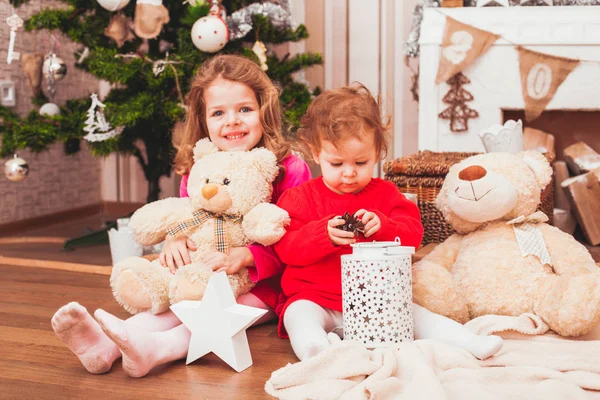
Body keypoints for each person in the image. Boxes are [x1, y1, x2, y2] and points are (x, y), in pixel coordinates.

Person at [51, 54, 312, 377]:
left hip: (265, 287)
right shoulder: (199, 168)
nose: (232, 121)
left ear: (264, 111)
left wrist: (247, 256)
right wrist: (176, 236)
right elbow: (192, 216)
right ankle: (105, 346)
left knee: (209, 315)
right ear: (203, 121)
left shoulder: (288, 167)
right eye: (218, 113)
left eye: (244, 109)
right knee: (179, 300)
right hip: (204, 274)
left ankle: (156, 350)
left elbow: (298, 237)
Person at [274, 84, 503, 361]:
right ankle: (320, 353)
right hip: (315, 297)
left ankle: (468, 341)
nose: (349, 173)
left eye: (361, 162)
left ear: (378, 152)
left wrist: (383, 226)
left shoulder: (386, 194)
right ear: (315, 152)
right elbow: (287, 249)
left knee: (417, 315)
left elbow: (413, 236)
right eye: (336, 164)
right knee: (297, 316)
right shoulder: (298, 199)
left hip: (379, 299)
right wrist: (324, 235)